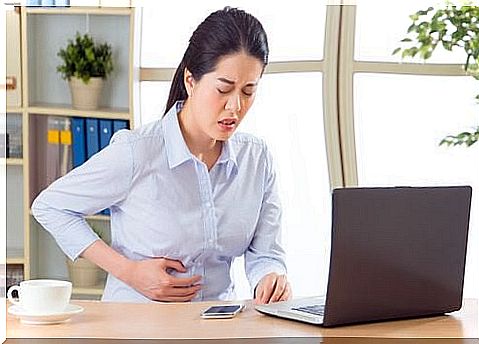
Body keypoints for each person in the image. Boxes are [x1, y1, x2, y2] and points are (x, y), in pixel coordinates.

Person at [32, 7, 291, 304]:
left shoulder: (256, 159)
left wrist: (270, 278)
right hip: (137, 324)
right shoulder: (137, 151)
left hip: (218, 324)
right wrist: (128, 271)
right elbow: (51, 206)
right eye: (224, 89)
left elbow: (266, 253)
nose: (235, 107)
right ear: (190, 81)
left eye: (248, 91)